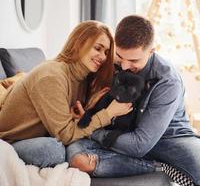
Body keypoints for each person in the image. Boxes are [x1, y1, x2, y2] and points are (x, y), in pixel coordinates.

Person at [69, 15, 200, 185]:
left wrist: (92, 130)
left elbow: (140, 145)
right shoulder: (108, 59)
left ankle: (168, 165)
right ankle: (159, 168)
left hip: (169, 140)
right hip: (119, 136)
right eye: (120, 56)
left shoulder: (168, 81)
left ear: (151, 51)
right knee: (78, 160)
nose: (124, 66)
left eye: (133, 60)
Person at [0, 20, 133, 168]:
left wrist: (88, 107)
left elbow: (69, 121)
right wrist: (107, 114)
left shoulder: (82, 76)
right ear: (79, 43)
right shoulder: (52, 76)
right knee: (53, 150)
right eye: (98, 48)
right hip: (11, 142)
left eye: (106, 52)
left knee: (82, 143)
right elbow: (65, 135)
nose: (103, 57)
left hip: (44, 134)